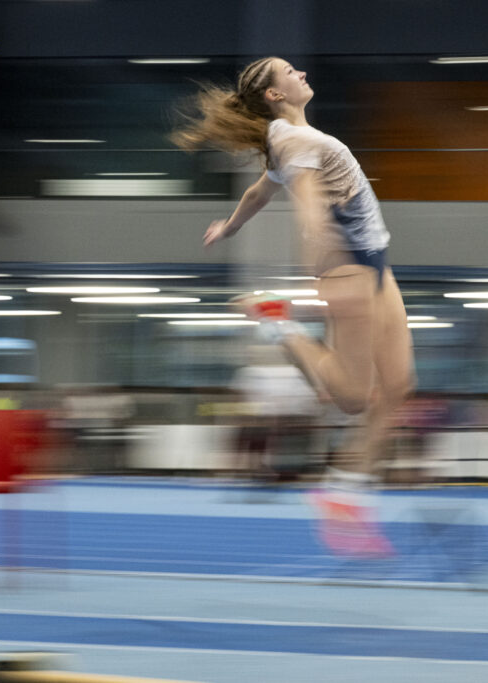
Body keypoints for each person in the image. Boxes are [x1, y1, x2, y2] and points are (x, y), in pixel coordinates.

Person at [173, 56, 415, 556]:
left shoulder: (288, 139)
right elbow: (308, 204)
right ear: (274, 95)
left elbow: (260, 190)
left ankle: (344, 494)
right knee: (353, 399)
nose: (301, 73)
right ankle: (277, 321)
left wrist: (229, 226)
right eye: (288, 72)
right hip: (346, 265)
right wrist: (320, 262)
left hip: (376, 263)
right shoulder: (291, 139)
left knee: (398, 388)